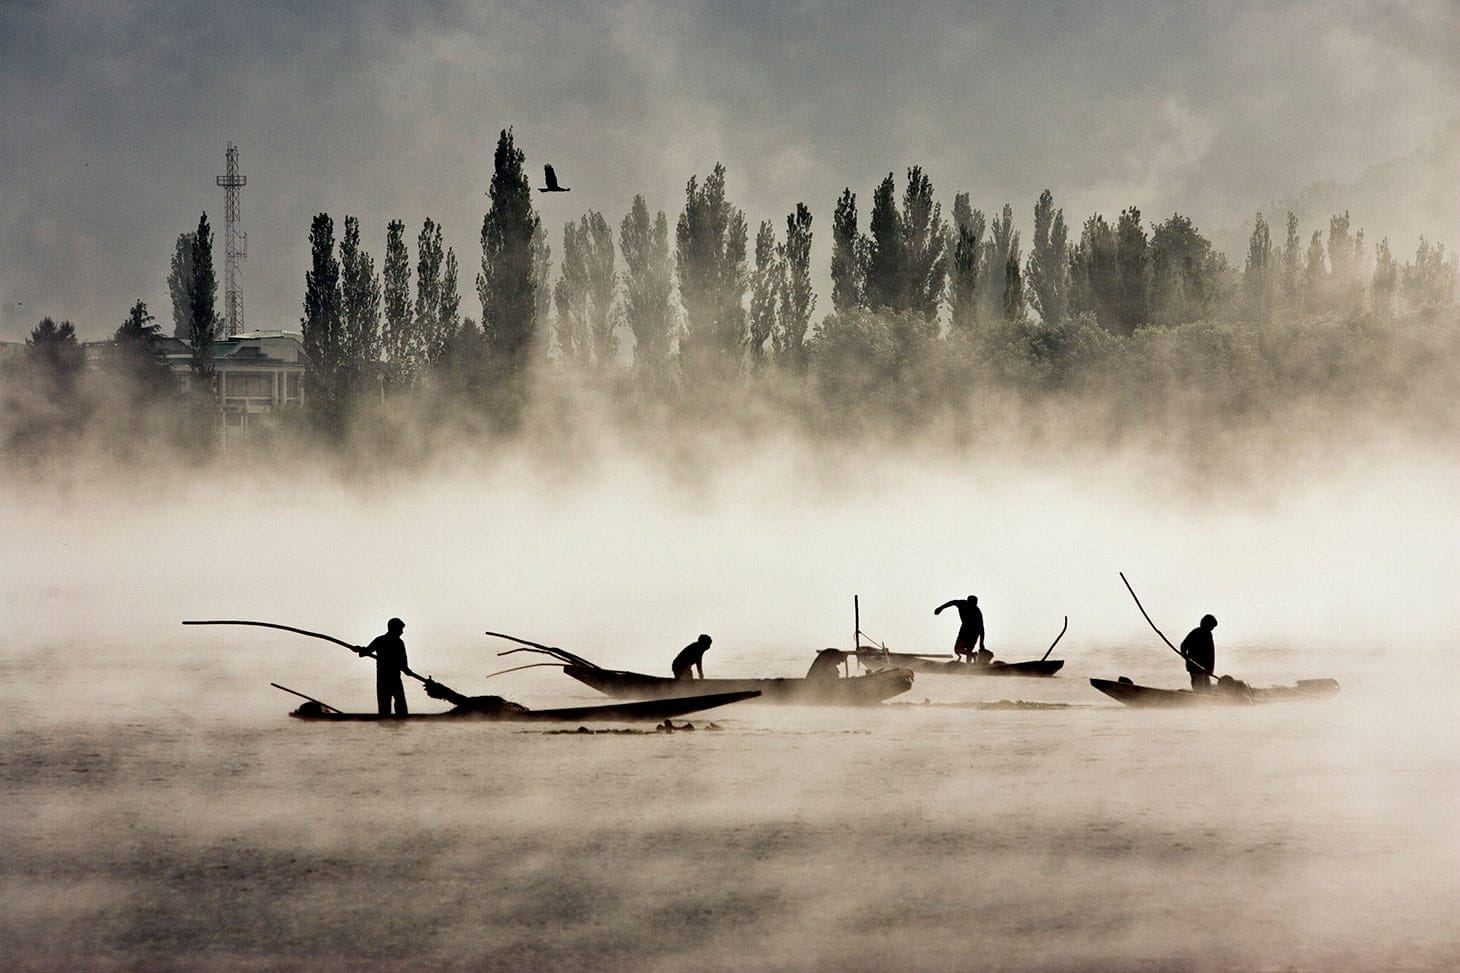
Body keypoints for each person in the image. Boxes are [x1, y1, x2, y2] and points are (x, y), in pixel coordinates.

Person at [356, 617, 418, 716]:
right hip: (393, 679)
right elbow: (404, 664)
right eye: (400, 629)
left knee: (384, 707)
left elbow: (364, 653)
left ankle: (386, 722)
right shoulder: (398, 643)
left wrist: (361, 649)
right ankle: (400, 721)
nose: (402, 632)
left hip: (383, 679)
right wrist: (407, 671)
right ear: (394, 629)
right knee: (400, 705)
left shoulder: (380, 640)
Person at [934, 595, 986, 663]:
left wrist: (981, 643)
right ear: (967, 602)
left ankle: (968, 666)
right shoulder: (962, 603)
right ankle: (973, 655)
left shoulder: (977, 612)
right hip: (964, 630)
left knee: (969, 649)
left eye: (974, 604)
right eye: (970, 604)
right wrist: (940, 608)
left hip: (974, 633)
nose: (972, 606)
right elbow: (952, 602)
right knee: (957, 650)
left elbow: (981, 628)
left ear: (976, 604)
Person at [1180, 614, 1218, 692]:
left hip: (1205, 668)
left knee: (1207, 686)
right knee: (1198, 685)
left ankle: (1205, 697)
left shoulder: (1208, 634)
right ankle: (1198, 697)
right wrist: (1185, 655)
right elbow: (1184, 645)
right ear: (1206, 624)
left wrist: (1210, 669)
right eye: (1212, 626)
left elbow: (1210, 653)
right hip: (1194, 666)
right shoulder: (1196, 632)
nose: (1212, 629)